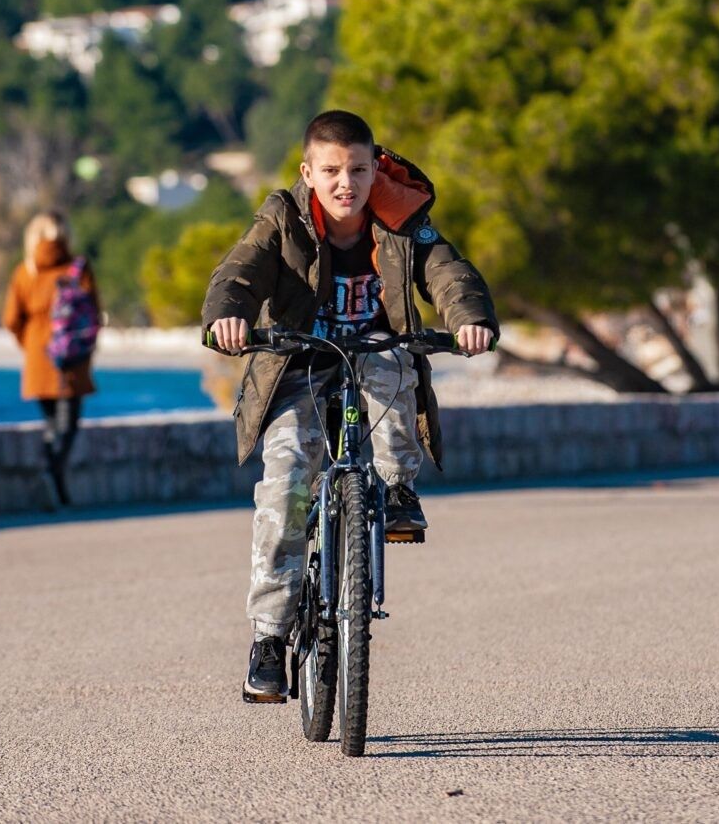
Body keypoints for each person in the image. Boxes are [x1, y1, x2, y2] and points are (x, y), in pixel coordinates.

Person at [202, 110, 498, 702]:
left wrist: (469, 319)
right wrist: (227, 315)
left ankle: (394, 490)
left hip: (374, 353)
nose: (346, 183)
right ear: (308, 172)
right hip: (300, 360)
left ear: (374, 170)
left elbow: (448, 273)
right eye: (332, 170)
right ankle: (268, 638)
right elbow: (240, 270)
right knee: (285, 487)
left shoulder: (401, 218)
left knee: (393, 367)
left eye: (358, 170)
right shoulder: (282, 216)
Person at [3, 210, 99, 505]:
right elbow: (94, 315)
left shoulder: (25, 271)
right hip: (72, 359)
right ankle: (52, 472)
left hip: (37, 357)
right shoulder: (77, 269)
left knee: (51, 424)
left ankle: (51, 474)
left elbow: (10, 319)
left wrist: (30, 345)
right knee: (67, 425)